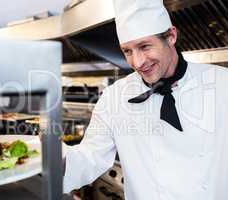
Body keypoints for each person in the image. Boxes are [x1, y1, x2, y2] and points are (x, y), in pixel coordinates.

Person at [63, 0, 228, 199]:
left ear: (171, 36)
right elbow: (88, 158)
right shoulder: (114, 97)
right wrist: (43, 155)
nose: (138, 62)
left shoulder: (222, 84)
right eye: (127, 51)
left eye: (145, 46)